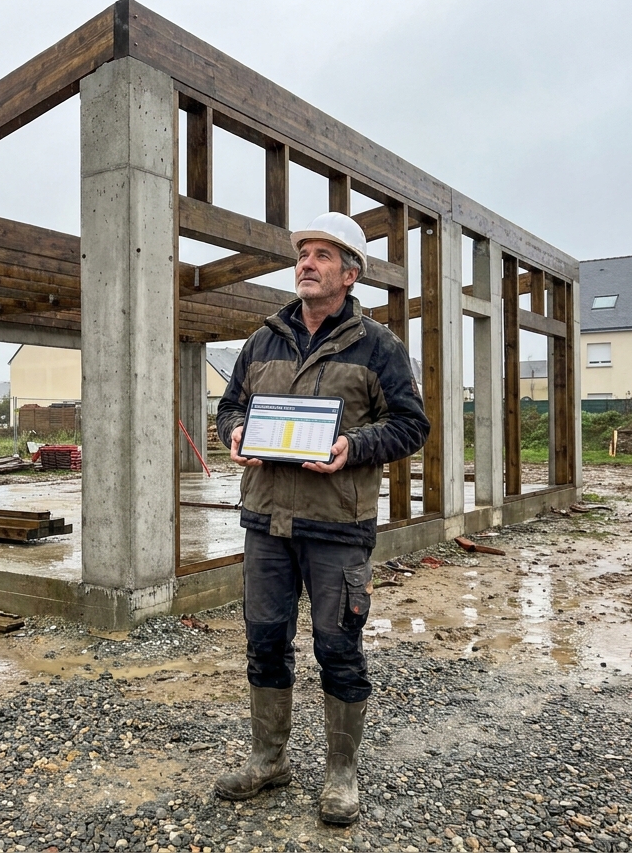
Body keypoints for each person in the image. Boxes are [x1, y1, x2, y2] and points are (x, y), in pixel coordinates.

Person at [214, 212, 430, 824]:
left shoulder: (378, 346)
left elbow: (411, 424)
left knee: (338, 648)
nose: (306, 264)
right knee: (264, 643)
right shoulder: (263, 340)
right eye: (303, 254)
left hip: (337, 524)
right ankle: (269, 760)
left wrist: (352, 447)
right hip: (266, 521)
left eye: (322, 256)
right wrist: (235, 432)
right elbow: (230, 407)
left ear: (350, 274)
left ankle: (341, 774)